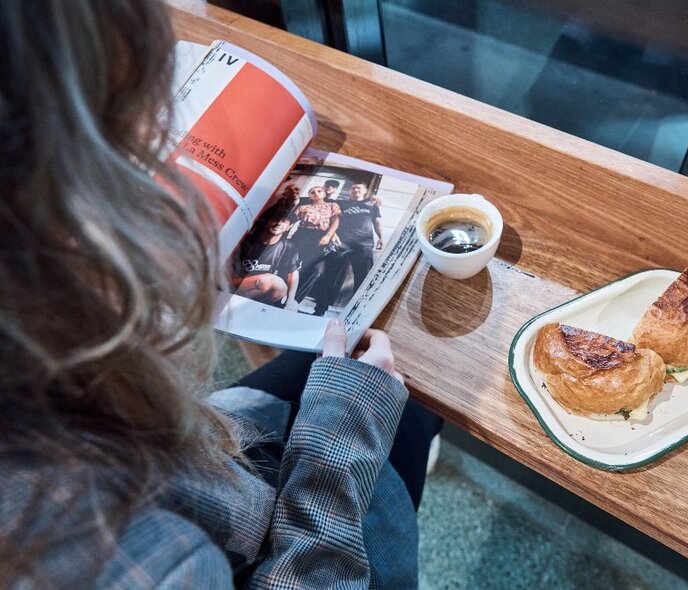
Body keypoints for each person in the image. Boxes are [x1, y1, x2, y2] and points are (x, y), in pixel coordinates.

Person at [0, 1, 442, 588]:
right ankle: (401, 464)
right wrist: (339, 441)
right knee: (410, 389)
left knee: (338, 368)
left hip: (210, 471)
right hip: (294, 538)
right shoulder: (142, 560)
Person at [312, 182, 384, 316]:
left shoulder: (372, 205)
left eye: (359, 188)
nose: (355, 189)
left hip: (364, 244)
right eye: (353, 188)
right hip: (341, 242)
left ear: (365, 191)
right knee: (329, 275)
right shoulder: (341, 204)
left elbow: (377, 222)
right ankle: (319, 310)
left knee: (363, 278)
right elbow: (329, 218)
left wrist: (381, 237)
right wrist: (333, 233)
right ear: (349, 191)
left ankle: (357, 312)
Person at [230, 201, 299, 310]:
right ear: (269, 221)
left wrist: (290, 301)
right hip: (233, 281)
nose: (278, 223)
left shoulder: (288, 247)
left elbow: (293, 274)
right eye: (276, 219)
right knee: (271, 281)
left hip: (257, 288)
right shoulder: (248, 239)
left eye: (284, 221)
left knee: (279, 286)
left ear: (289, 227)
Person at [290, 185, 341, 305]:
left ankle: (295, 300)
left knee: (316, 270)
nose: (316, 193)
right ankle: (280, 297)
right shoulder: (303, 207)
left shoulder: (332, 205)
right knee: (292, 266)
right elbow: (291, 220)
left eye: (319, 191)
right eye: (312, 192)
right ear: (310, 196)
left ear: (324, 194)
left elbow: (335, 221)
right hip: (301, 236)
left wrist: (329, 235)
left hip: (320, 237)